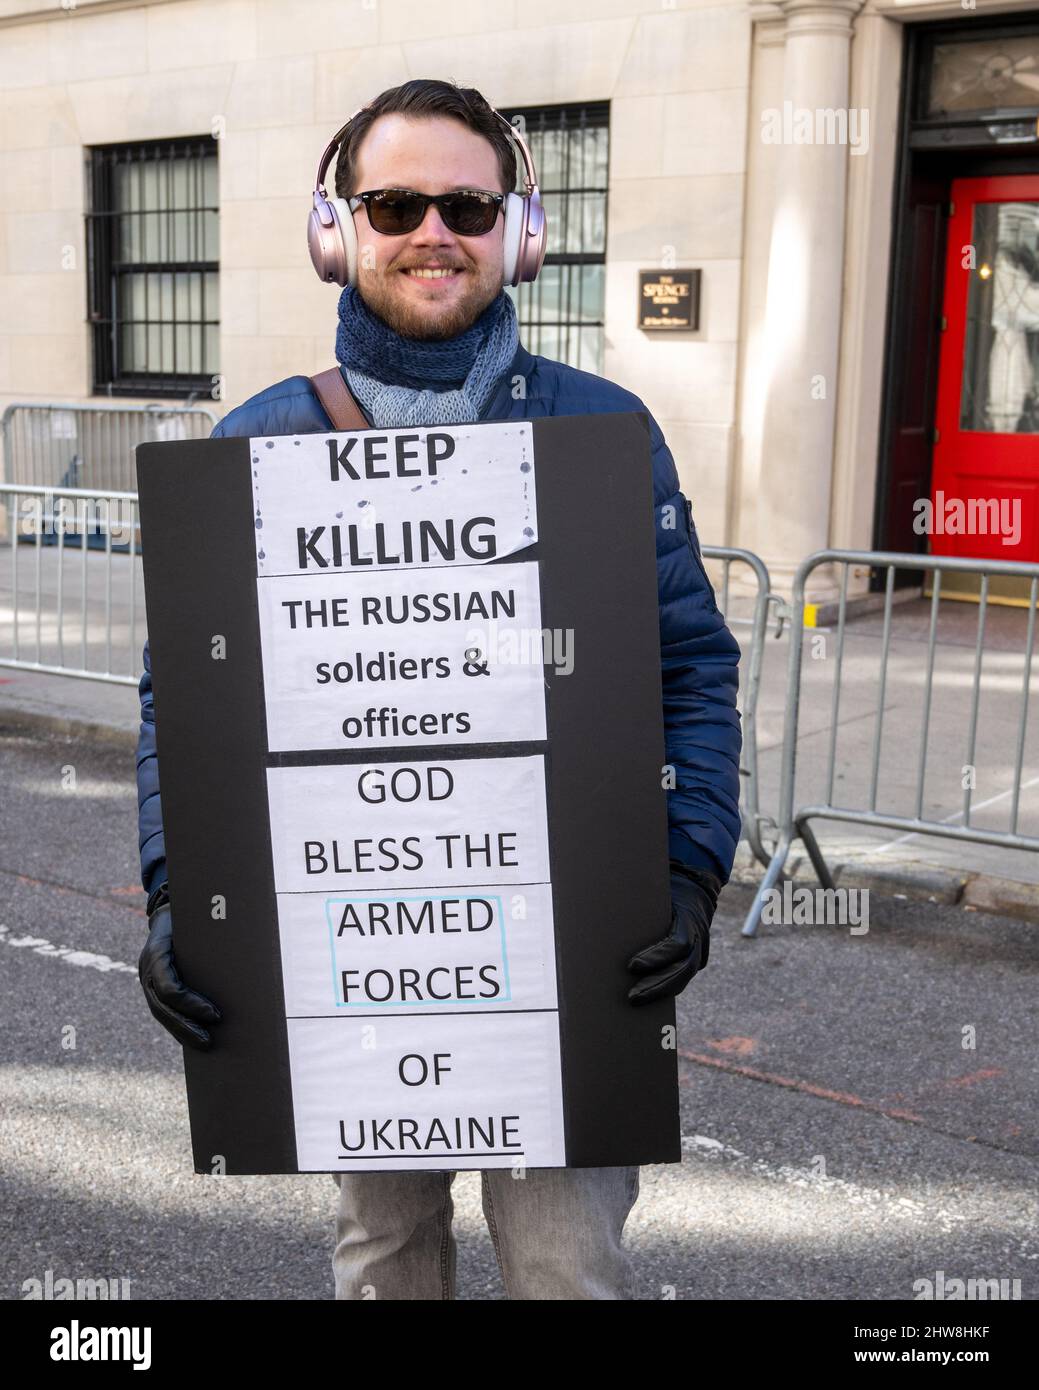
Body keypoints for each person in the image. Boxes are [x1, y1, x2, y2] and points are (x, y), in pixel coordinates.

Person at [135, 78, 743, 1301]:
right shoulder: (254, 444)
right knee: (381, 1265)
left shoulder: (604, 429)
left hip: (570, 952)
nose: (432, 230)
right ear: (337, 228)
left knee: (568, 1272)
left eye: (466, 204)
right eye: (396, 200)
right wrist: (174, 895)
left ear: (516, 231)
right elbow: (180, 703)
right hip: (350, 961)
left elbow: (687, 669)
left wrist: (685, 865)